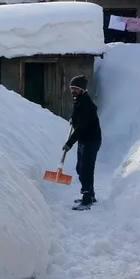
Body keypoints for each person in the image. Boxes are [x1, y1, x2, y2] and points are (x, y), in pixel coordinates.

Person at [63, 75, 102, 211]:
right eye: (72, 88)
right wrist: (74, 119)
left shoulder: (86, 104)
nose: (73, 90)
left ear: (82, 90)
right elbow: (78, 116)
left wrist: (69, 143)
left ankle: (87, 199)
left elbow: (82, 127)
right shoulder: (79, 100)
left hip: (91, 139)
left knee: (85, 169)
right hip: (85, 138)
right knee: (81, 168)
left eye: (76, 88)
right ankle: (90, 194)